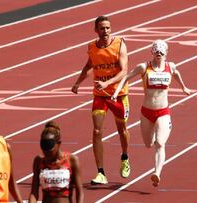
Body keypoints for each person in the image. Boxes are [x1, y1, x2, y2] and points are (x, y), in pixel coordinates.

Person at [112, 39, 190, 187]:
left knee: (160, 143)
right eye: (156, 51)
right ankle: (154, 135)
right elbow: (126, 78)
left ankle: (157, 173)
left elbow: (176, 74)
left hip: (163, 111)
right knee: (148, 143)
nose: (159, 54)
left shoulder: (170, 67)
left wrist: (183, 87)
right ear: (152, 52)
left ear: (166, 53)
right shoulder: (144, 67)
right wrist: (116, 92)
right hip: (146, 112)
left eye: (162, 51)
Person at [71, 15, 130, 184]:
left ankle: (125, 156)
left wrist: (107, 82)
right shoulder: (92, 47)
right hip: (100, 96)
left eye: (108, 28)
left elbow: (124, 71)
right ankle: (101, 172)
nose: (105, 31)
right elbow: (89, 65)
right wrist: (77, 83)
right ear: (96, 30)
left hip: (118, 94)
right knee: (97, 131)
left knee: (122, 130)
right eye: (102, 28)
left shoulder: (119, 44)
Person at [28, 121, 84, 203]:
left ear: (59, 144)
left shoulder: (72, 160)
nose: (46, 153)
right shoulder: (39, 161)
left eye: (50, 151)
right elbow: (34, 192)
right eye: (44, 150)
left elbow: (80, 192)